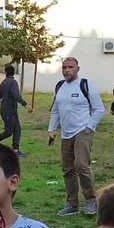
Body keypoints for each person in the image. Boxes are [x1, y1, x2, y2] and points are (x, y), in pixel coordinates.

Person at [47, 57, 105, 217]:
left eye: (70, 67)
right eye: (64, 67)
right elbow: (56, 111)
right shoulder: (59, 86)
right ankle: (72, 204)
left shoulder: (86, 85)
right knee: (67, 169)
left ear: (77, 69)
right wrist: (51, 130)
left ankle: (91, 201)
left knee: (81, 165)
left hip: (83, 132)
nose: (67, 70)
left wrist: (89, 127)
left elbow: (99, 109)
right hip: (66, 134)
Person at [0, 65, 29, 155]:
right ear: (14, 72)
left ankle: (15, 150)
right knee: (9, 131)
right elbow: (16, 95)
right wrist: (25, 104)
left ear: (6, 73)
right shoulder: (13, 82)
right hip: (9, 110)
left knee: (17, 129)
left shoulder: (3, 83)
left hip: (9, 109)